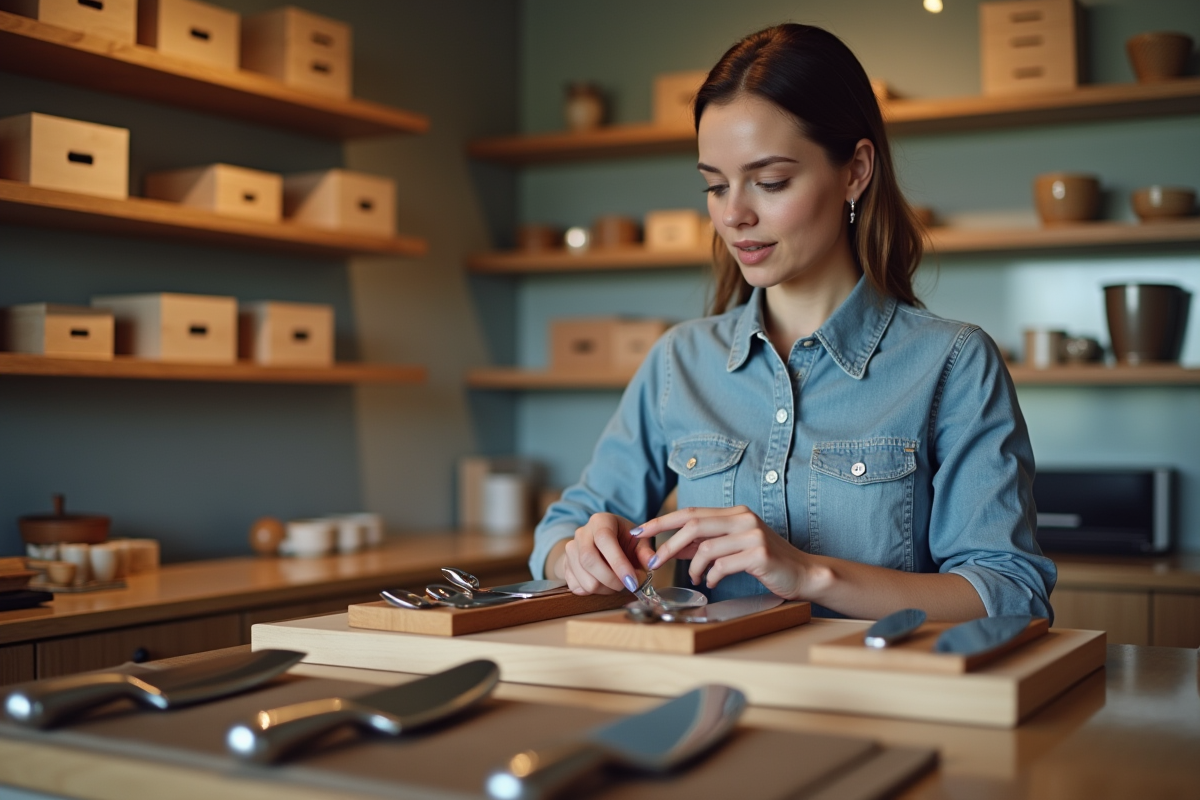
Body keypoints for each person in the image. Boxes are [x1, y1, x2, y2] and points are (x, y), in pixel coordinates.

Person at [528, 23, 1055, 621]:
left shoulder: (954, 363)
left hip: (886, 706)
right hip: (712, 701)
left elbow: (1011, 594)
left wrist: (808, 573)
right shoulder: (679, 361)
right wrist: (581, 551)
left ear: (855, 170)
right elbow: (560, 532)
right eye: (715, 185)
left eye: (771, 182)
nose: (733, 215)